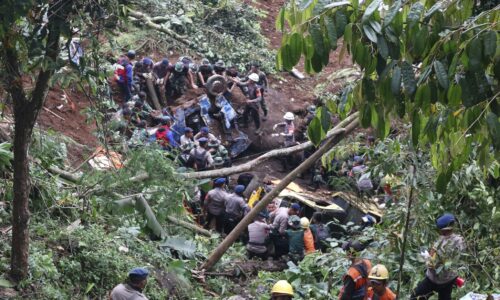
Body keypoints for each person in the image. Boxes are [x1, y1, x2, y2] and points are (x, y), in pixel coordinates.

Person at [410, 213, 465, 300]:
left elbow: (436, 262)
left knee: (416, 297)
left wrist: (427, 257)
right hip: (449, 279)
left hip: (436, 279)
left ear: (444, 229)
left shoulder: (449, 242)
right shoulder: (457, 240)